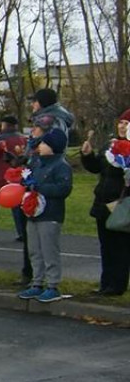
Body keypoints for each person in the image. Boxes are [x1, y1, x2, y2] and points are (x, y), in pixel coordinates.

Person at [18, 128, 74, 303]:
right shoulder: (37, 163)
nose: (40, 146)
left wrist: (40, 188)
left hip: (50, 214)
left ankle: (53, 285)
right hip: (33, 213)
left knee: (49, 250)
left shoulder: (61, 166)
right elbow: (27, 181)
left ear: (52, 146)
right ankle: (37, 282)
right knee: (34, 250)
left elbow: (63, 189)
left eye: (44, 143)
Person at [80, 108, 130, 295]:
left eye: (126, 124)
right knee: (105, 245)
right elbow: (96, 168)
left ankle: (117, 285)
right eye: (121, 123)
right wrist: (88, 155)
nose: (122, 127)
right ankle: (105, 282)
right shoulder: (110, 146)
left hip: (121, 204)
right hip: (103, 201)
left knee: (120, 246)